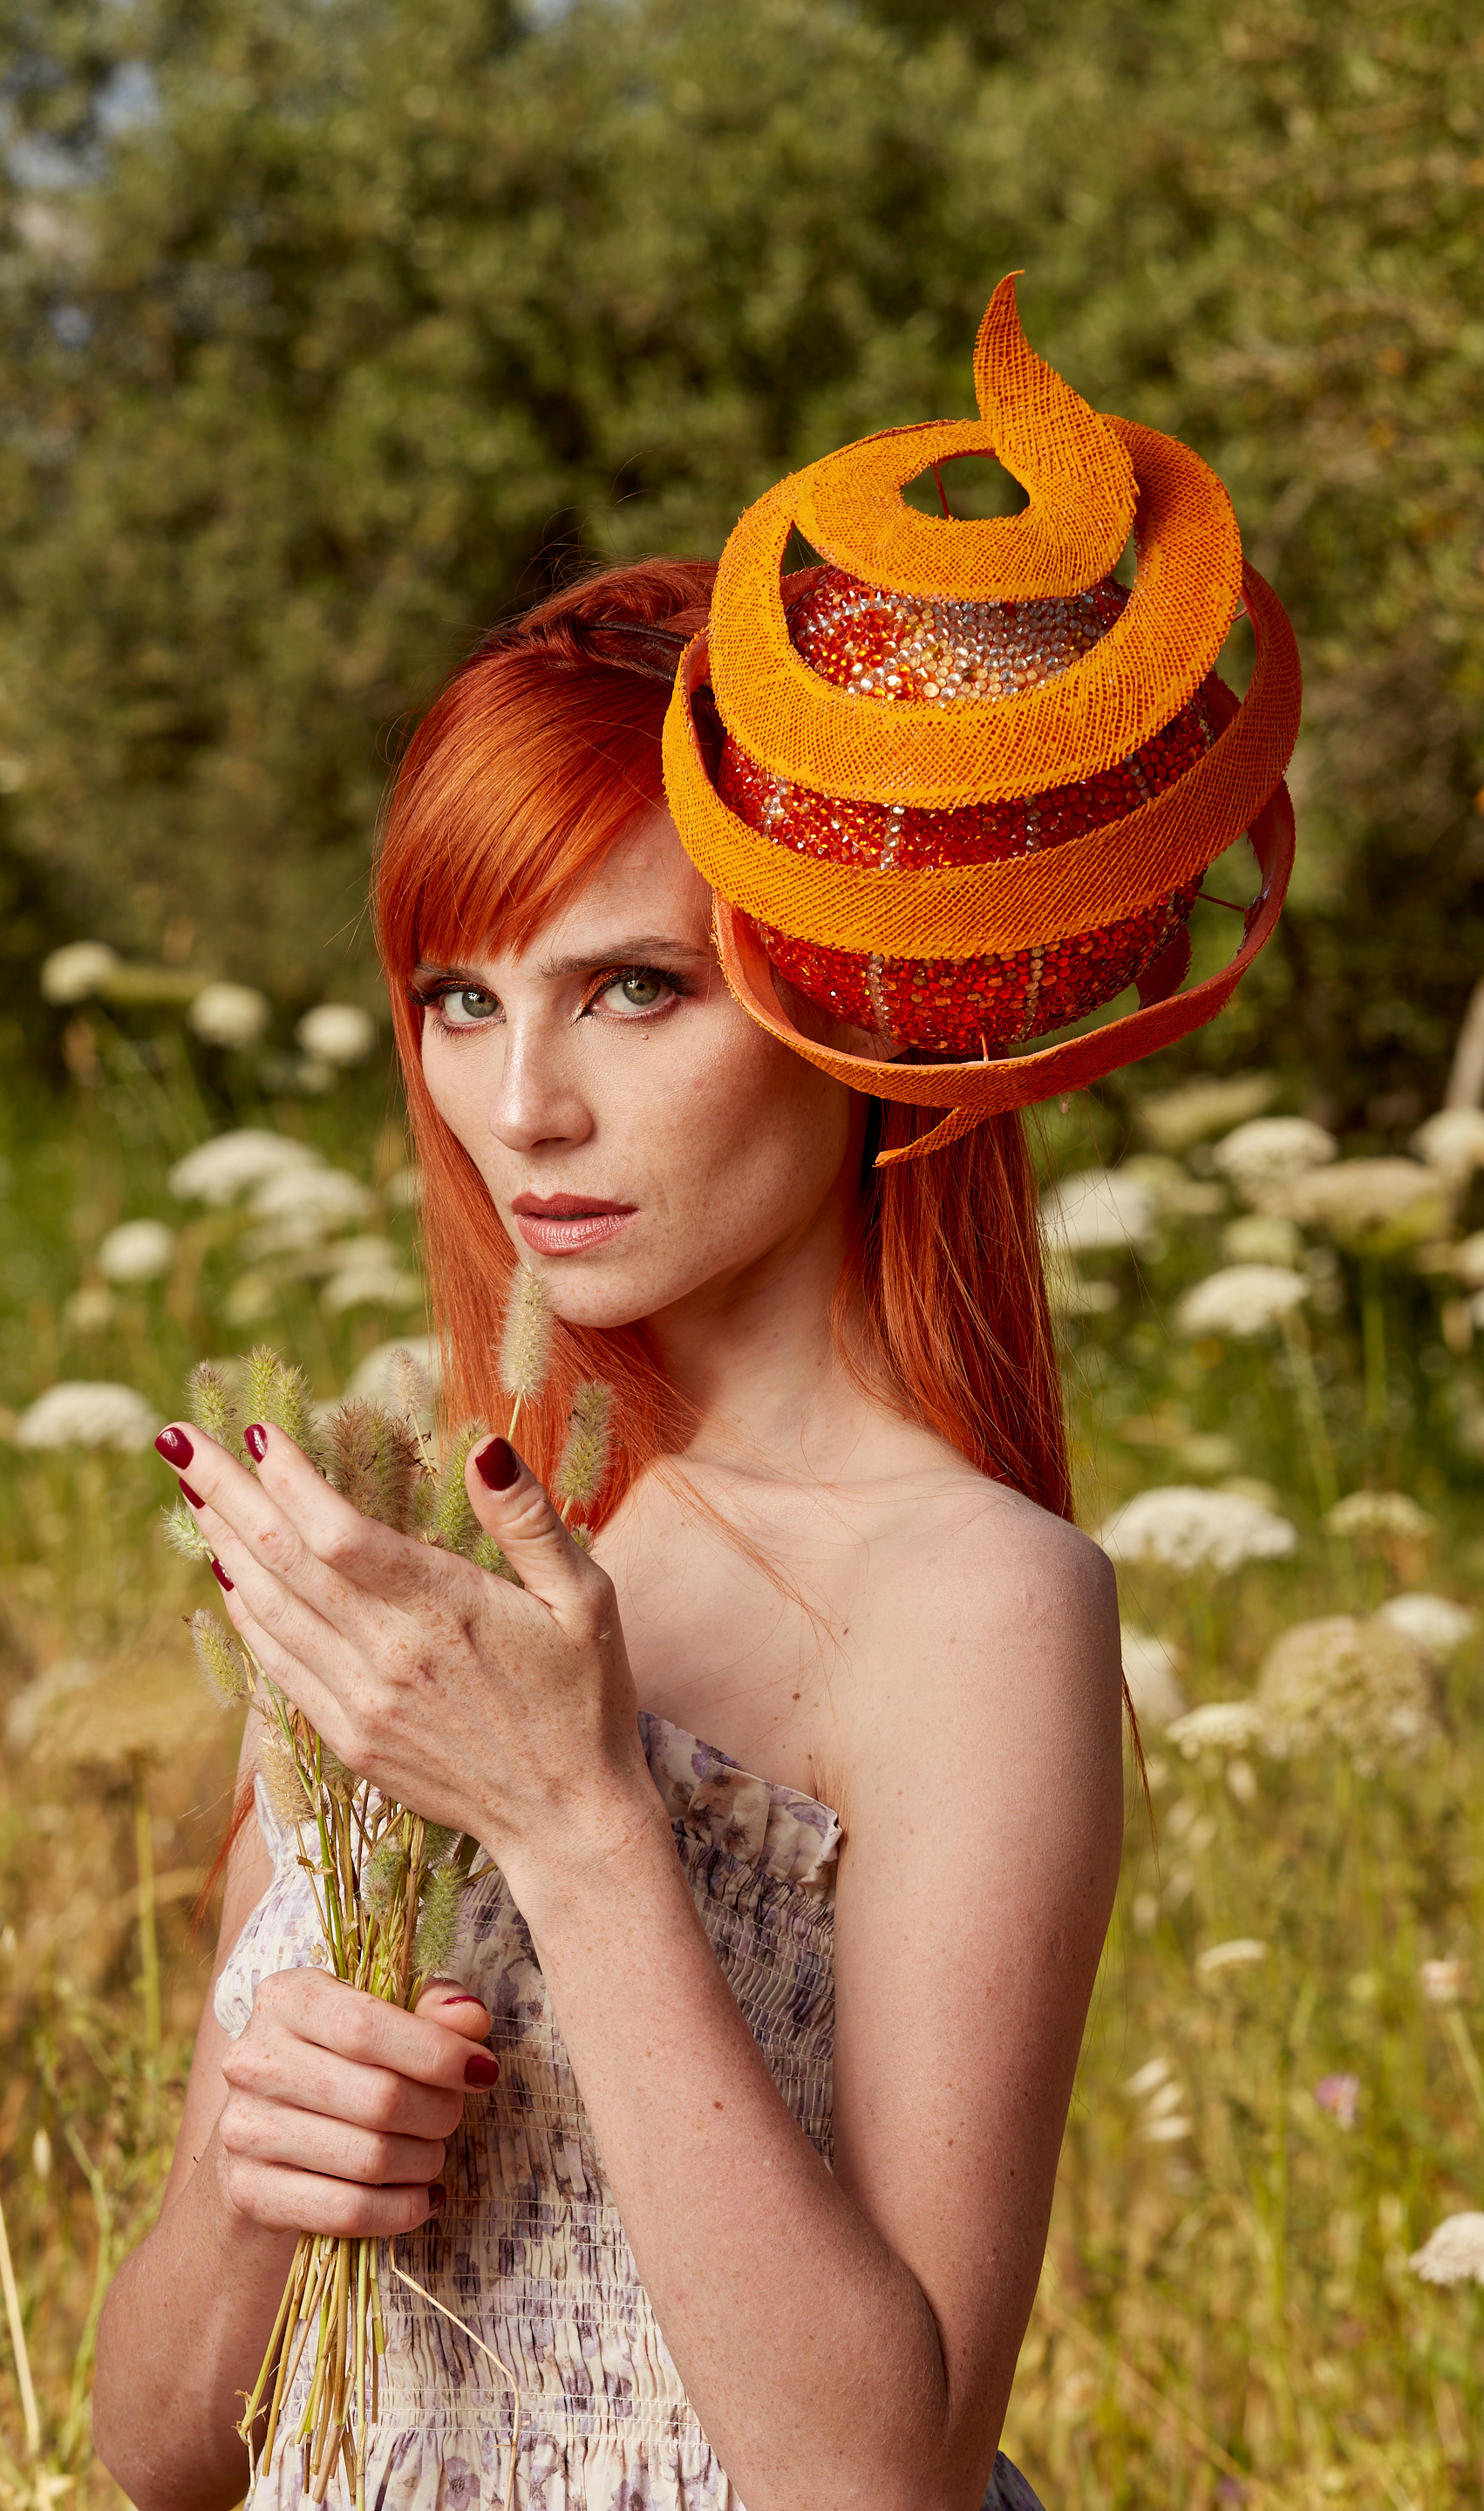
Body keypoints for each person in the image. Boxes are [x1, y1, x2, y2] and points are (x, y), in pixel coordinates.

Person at [93, 282, 1297, 2511]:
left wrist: (577, 1827)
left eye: (636, 989)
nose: (519, 1106)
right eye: (461, 999)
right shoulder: (403, 1553)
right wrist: (256, 2191)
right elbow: (157, 2455)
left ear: (853, 1012)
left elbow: (880, 2480)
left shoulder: (975, 1603)